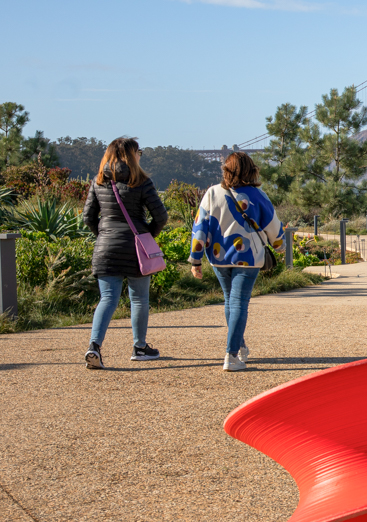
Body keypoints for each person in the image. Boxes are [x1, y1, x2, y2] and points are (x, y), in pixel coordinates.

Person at [188, 152, 284, 372]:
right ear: (251, 170)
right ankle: (231, 356)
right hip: (248, 258)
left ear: (226, 170)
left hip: (218, 257)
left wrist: (195, 261)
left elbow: (199, 228)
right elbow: (274, 227)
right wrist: (280, 247)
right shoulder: (258, 195)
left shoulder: (212, 193)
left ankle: (239, 345)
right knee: (239, 302)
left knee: (230, 301)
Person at [82, 137, 169, 369]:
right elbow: (161, 217)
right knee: (139, 298)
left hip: (105, 248)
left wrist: (103, 235)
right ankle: (139, 348)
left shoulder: (97, 182)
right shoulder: (141, 182)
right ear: (133, 156)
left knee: (107, 298)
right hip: (135, 248)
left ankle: (94, 346)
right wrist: (146, 235)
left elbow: (87, 218)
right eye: (138, 151)